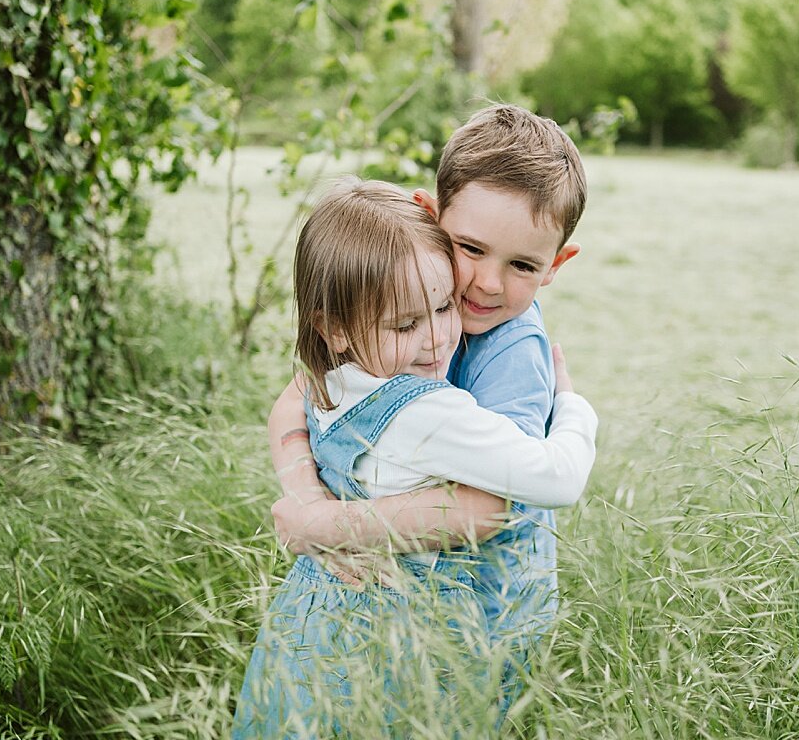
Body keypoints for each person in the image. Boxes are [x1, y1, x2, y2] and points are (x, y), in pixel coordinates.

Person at [230, 178, 597, 738]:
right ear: (333, 327)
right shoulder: (426, 406)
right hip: (402, 638)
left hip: (308, 624)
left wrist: (314, 513)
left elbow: (297, 396)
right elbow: (555, 478)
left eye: (443, 307)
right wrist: (573, 409)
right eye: (406, 324)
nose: (436, 340)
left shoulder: (344, 372)